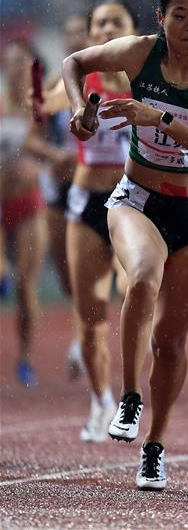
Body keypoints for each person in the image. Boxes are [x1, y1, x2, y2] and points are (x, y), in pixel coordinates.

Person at [63, 0, 188, 490]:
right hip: (137, 199)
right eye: (180, 16)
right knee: (143, 275)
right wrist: (79, 109)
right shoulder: (140, 53)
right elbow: (73, 63)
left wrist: (160, 120)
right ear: (161, 19)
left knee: (170, 343)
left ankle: (155, 447)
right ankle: (129, 397)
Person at [60, 0, 139, 441]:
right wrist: (39, 105)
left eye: (117, 23)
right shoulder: (79, 78)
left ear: (133, 30)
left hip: (132, 202)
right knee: (90, 316)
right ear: (90, 35)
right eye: (100, 24)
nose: (108, 30)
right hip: (88, 202)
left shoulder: (146, 80)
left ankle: (132, 393)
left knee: (134, 289)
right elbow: (41, 106)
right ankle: (100, 401)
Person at [26, 14, 88, 381]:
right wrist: (56, 156)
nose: (74, 38)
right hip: (61, 188)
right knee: (68, 279)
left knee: (94, 270)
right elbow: (31, 140)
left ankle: (84, 340)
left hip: (98, 186)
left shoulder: (112, 80)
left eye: (81, 32)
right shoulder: (54, 85)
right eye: (69, 33)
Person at [1, 38, 49, 387]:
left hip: (29, 204)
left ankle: (26, 358)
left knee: (25, 286)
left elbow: (63, 152)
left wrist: (40, 166)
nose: (16, 69)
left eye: (23, 62)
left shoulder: (43, 110)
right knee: (3, 274)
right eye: (11, 62)